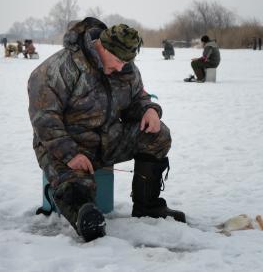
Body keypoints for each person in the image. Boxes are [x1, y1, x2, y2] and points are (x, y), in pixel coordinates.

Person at [28, 17, 186, 242]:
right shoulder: (58, 68)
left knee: (157, 135)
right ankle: (85, 216)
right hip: (63, 144)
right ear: (101, 46)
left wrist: (149, 110)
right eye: (118, 61)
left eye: (127, 62)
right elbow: (44, 119)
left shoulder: (125, 65)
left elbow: (137, 97)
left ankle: (148, 206)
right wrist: (71, 154)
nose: (122, 67)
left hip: (107, 139)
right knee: (74, 184)